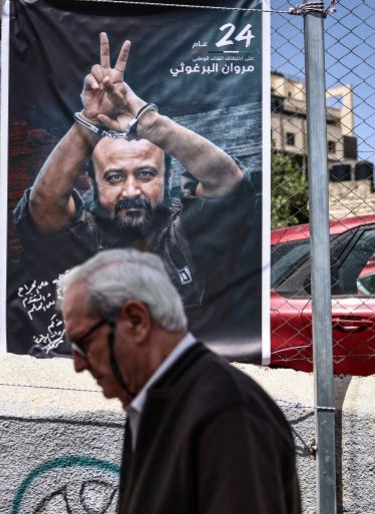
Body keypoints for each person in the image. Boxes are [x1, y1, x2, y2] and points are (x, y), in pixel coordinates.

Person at [13, 33, 258, 349]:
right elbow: (44, 203)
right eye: (114, 177)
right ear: (94, 182)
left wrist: (153, 125)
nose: (131, 190)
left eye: (145, 174)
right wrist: (88, 121)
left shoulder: (187, 235)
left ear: (166, 177)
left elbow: (229, 181)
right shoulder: (82, 241)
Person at [58, 248, 301, 514]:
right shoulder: (153, 402)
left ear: (136, 321)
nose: (79, 364)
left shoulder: (226, 411)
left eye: (83, 343)